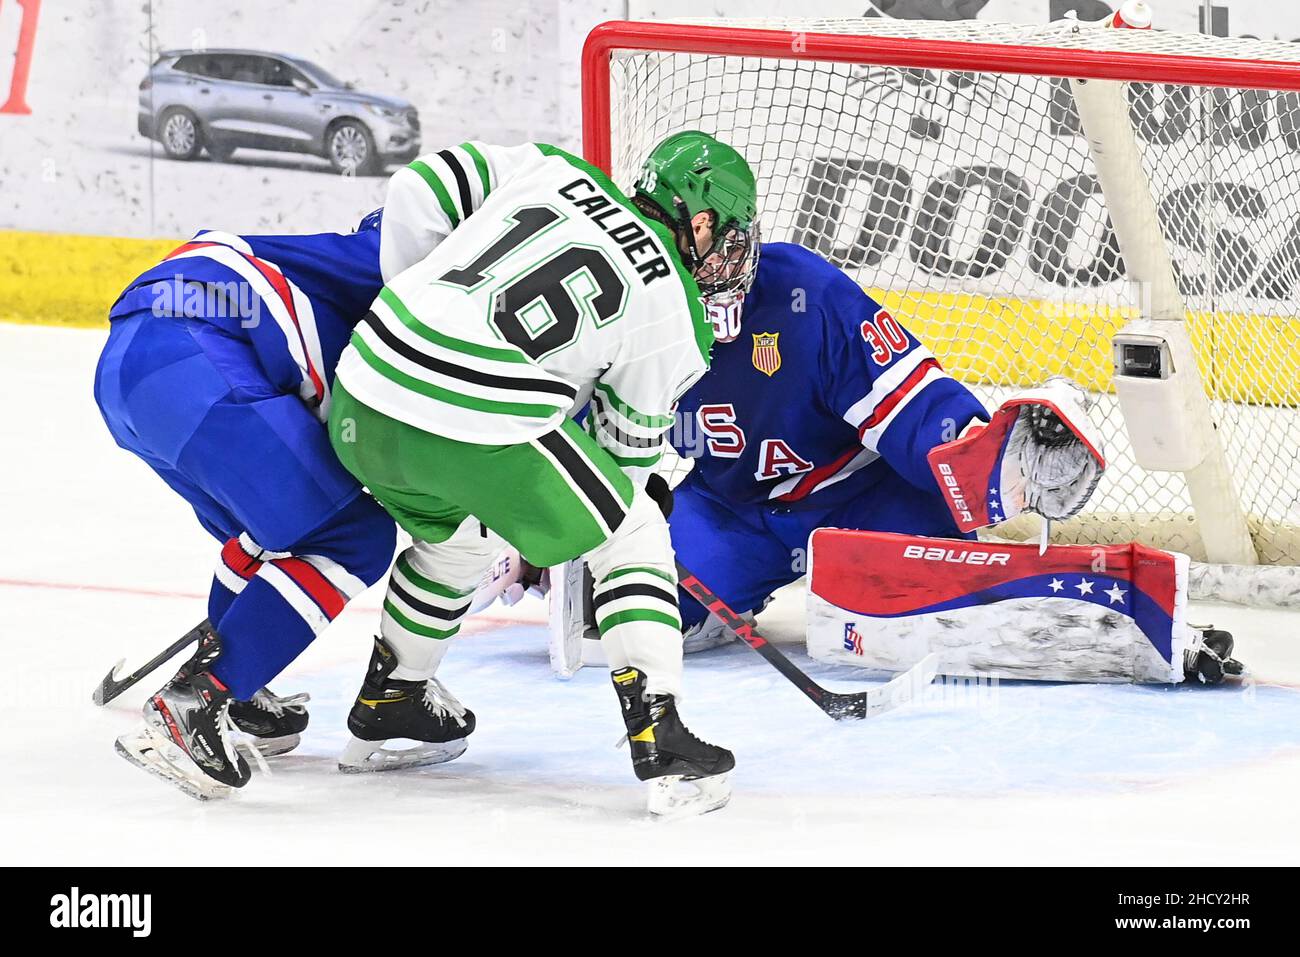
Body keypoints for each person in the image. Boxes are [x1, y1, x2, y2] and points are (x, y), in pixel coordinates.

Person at [326, 133, 758, 816]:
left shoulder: (550, 170)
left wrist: (424, 321)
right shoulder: (673, 309)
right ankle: (659, 729)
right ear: (699, 221)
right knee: (632, 525)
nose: (730, 253)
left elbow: (417, 188)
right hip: (471, 423)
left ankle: (393, 697)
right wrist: (609, 497)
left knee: (460, 537)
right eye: (728, 233)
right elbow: (626, 462)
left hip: (362, 389)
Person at [95, 215, 397, 799]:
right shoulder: (407, 271)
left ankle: (240, 688)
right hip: (199, 363)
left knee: (278, 524)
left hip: (126, 367)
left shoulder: (324, 250)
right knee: (352, 535)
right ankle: (202, 696)